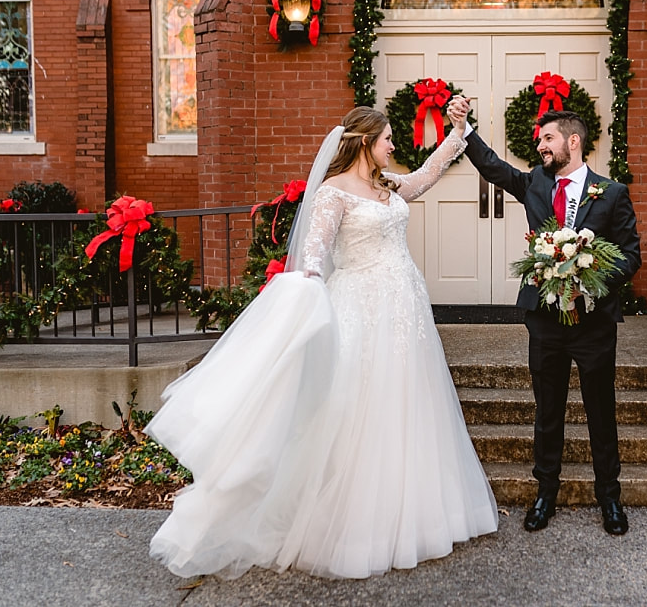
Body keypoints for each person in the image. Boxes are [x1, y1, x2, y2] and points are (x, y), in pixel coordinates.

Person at [145, 106, 498, 580]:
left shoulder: (387, 185)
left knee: (406, 404)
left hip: (405, 310)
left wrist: (457, 135)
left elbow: (424, 177)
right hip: (362, 308)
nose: (393, 146)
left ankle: (410, 514)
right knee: (354, 407)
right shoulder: (334, 193)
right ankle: (352, 529)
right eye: (388, 138)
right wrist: (306, 279)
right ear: (364, 141)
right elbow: (314, 250)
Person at [446, 96, 641, 536]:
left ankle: (610, 499)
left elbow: (631, 256)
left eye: (548, 139)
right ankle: (544, 495)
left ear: (574, 141)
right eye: (540, 140)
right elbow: (496, 169)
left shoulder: (611, 194)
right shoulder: (535, 183)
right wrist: (465, 129)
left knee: (600, 411)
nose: (541, 146)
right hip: (545, 323)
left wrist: (591, 277)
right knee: (547, 411)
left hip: (593, 325)